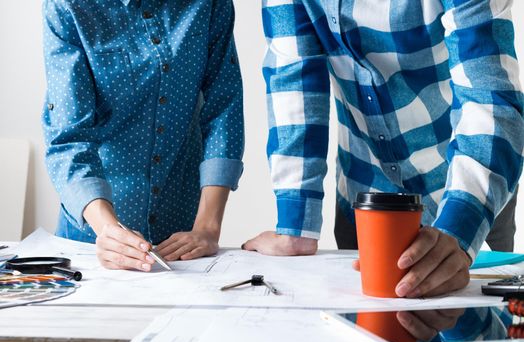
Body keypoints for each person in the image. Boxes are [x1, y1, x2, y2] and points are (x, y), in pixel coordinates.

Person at [244, 0, 524, 298]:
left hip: (472, 190)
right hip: (367, 196)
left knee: (473, 332)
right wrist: (294, 224)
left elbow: (490, 102)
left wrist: (459, 228)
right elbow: (293, 83)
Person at [42, 0, 244, 271]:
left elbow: (224, 106)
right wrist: (108, 230)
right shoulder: (67, 6)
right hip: (92, 241)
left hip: (183, 239)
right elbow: (69, 136)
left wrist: (207, 226)